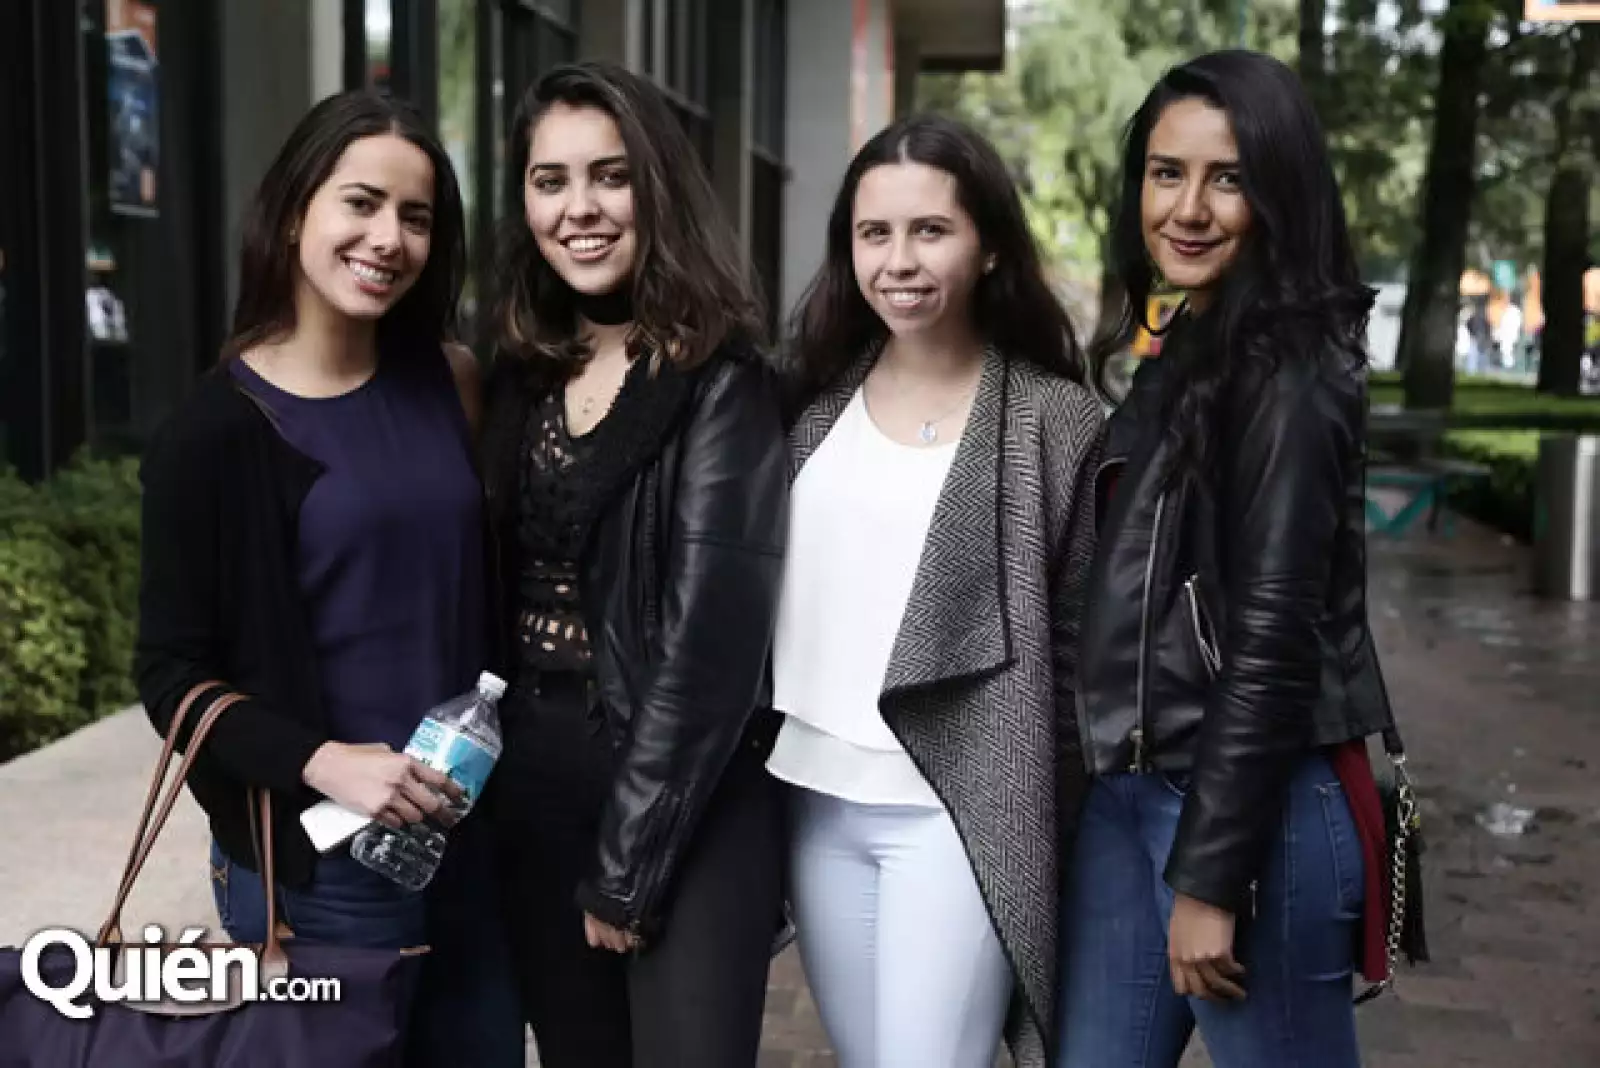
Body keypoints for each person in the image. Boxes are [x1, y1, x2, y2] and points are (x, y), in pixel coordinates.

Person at [134, 90, 524, 1067]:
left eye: (417, 215)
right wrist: (323, 758)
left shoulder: (452, 382)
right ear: (296, 209)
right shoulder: (217, 431)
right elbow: (169, 672)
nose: (387, 237)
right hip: (319, 861)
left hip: (464, 838)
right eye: (361, 203)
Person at [1059, 50, 1403, 1068]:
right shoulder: (1192, 344)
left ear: (1279, 190)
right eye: (1167, 173)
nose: (1189, 208)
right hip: (1131, 800)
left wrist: (1210, 877)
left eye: (1229, 178)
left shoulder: (1291, 369)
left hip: (1250, 819)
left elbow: (1271, 640)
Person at [772, 113, 1104, 1068]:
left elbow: (1081, 646)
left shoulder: (1053, 419)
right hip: (816, 796)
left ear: (989, 243)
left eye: (930, 231)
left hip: (961, 809)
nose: (899, 260)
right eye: (874, 234)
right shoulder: (809, 402)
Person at [478, 60, 789, 1068]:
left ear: (654, 185)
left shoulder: (722, 378)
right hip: (531, 785)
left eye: (608, 176)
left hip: (680, 801)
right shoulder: (519, 370)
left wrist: (629, 863)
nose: (579, 209)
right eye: (549, 180)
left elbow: (713, 642)